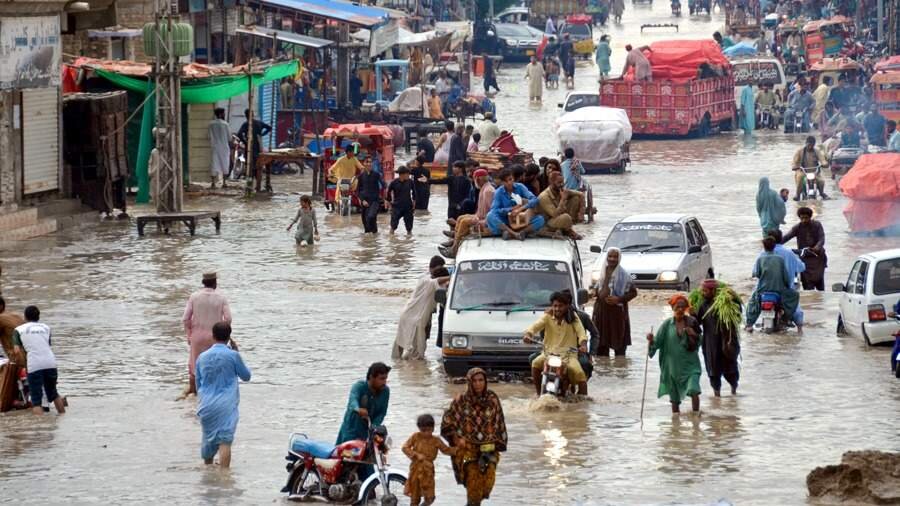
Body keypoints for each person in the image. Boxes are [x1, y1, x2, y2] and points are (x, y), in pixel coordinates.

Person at [441, 368, 507, 506]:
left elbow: (499, 421)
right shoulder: (461, 400)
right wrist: (457, 439)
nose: (478, 384)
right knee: (474, 491)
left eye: (481, 380)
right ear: (469, 382)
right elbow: (447, 422)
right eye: (475, 381)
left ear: (485, 381)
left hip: (489, 450)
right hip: (469, 451)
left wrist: (498, 442)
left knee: (487, 487)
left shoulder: (492, 399)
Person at [195, 322, 250, 468]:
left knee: (208, 442)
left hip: (206, 405)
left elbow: (198, 384)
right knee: (225, 441)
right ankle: (224, 479)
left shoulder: (202, 357)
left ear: (213, 336)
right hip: (226, 405)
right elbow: (246, 376)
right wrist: (237, 353)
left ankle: (209, 476)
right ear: (229, 337)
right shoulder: (233, 356)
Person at [523, 291, 589, 396]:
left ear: (567, 306)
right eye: (555, 306)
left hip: (568, 356)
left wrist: (583, 345)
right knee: (535, 363)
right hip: (548, 354)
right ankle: (538, 395)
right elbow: (536, 326)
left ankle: (583, 401)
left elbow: (581, 333)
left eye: (560, 306)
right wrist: (528, 334)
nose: (557, 309)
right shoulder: (547, 316)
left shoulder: (573, 318)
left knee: (580, 374)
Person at [646, 295, 702, 414]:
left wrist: (693, 334)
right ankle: (675, 423)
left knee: (694, 389)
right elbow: (657, 342)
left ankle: (696, 420)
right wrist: (651, 340)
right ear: (673, 308)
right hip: (672, 368)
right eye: (677, 307)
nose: (680, 310)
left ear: (686, 308)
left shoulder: (692, 322)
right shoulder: (667, 325)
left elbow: (701, 341)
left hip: (691, 365)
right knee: (674, 400)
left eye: (683, 307)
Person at [336, 363, 390, 483]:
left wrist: (375, 426)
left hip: (368, 433)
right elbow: (352, 400)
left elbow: (382, 412)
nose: (384, 382)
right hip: (350, 430)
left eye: (385, 378)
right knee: (345, 462)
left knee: (367, 464)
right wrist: (358, 409)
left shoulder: (385, 391)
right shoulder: (359, 386)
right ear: (371, 377)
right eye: (381, 379)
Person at [183, 272, 233, 396]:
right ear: (215, 282)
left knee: (195, 362)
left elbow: (185, 318)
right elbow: (228, 318)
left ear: (203, 283)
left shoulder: (194, 297)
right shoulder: (221, 298)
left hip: (197, 336)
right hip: (215, 337)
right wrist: (224, 334)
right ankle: (213, 388)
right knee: (214, 362)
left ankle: (193, 390)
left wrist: (189, 334)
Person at [12, 306, 66, 415]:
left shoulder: (18, 330)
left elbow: (17, 351)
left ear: (25, 317)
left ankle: (40, 427)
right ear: (38, 316)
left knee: (36, 400)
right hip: (50, 363)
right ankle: (62, 416)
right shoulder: (46, 328)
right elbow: (46, 344)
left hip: (35, 364)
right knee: (54, 394)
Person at [393, 264, 451, 359]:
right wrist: (453, 276)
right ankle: (413, 371)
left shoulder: (423, 279)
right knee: (418, 353)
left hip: (406, 314)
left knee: (400, 343)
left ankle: (397, 366)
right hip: (416, 319)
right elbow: (437, 281)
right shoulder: (431, 283)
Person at [745, 236, 802, 331]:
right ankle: (786, 318)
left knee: (753, 302)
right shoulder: (780, 259)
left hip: (763, 289)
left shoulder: (760, 259)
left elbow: (757, 274)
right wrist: (788, 285)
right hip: (779, 289)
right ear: (774, 246)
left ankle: (749, 324)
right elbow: (785, 276)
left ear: (764, 246)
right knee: (795, 296)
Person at [696, 280, 741, 396]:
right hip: (710, 344)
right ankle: (717, 396)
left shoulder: (727, 303)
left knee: (731, 370)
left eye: (705, 291)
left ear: (714, 291)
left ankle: (734, 392)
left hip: (726, 342)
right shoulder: (703, 305)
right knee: (713, 372)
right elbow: (697, 322)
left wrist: (734, 298)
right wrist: (691, 314)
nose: (703, 293)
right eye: (702, 291)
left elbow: (738, 315)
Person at [592, 247, 638, 357]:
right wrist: (594, 292)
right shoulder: (603, 271)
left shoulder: (623, 275)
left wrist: (619, 299)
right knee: (601, 348)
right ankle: (604, 372)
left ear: (619, 258)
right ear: (606, 257)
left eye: (615, 257)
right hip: (601, 313)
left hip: (617, 315)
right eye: (610, 256)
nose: (612, 259)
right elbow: (598, 288)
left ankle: (620, 371)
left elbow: (633, 292)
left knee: (619, 347)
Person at [440, 169, 496, 258]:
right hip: (480, 216)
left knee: (464, 222)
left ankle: (454, 250)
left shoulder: (488, 191)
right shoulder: (484, 188)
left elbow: (491, 212)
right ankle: (455, 239)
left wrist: (478, 219)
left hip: (486, 220)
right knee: (461, 218)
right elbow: (480, 210)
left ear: (478, 179)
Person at [403, 414, 456, 506]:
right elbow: (404, 448)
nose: (426, 433)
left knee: (430, 498)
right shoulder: (415, 437)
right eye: (423, 430)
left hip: (428, 471)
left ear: (433, 428)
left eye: (429, 430)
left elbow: (446, 450)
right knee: (415, 498)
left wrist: (460, 450)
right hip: (415, 470)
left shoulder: (436, 440)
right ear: (419, 428)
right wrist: (416, 454)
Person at [486, 168, 546, 240]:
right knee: (490, 216)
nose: (509, 183)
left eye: (510, 179)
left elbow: (534, 199)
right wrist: (510, 210)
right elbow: (494, 209)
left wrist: (521, 208)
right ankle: (514, 234)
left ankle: (520, 232)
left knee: (540, 219)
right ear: (502, 183)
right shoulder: (498, 192)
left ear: (513, 178)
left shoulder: (520, 187)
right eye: (505, 181)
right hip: (506, 220)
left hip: (521, 218)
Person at [782, 207, 828, 291]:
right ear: (799, 217)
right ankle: (810, 303)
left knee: (820, 282)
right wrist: (774, 244)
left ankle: (820, 301)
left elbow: (822, 239)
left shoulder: (817, 225)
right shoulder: (797, 227)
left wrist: (816, 248)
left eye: (806, 218)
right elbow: (786, 237)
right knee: (807, 285)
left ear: (810, 217)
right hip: (804, 258)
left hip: (818, 258)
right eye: (802, 218)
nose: (804, 220)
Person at [537, 171, 584, 239]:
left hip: (557, 218)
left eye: (563, 182)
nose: (562, 184)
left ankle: (567, 229)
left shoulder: (560, 190)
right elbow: (555, 214)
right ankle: (567, 230)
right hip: (547, 223)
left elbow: (581, 194)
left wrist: (581, 212)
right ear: (551, 182)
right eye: (559, 183)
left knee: (576, 198)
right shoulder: (544, 196)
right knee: (566, 217)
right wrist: (563, 199)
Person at [791, 136, 829, 200]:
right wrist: (794, 166)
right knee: (800, 178)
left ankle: (822, 193)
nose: (810, 146)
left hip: (815, 172)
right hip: (802, 171)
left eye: (812, 145)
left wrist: (824, 164)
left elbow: (822, 160)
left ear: (814, 144)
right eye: (809, 144)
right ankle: (797, 195)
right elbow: (794, 162)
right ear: (806, 143)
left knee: (821, 181)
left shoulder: (817, 151)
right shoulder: (800, 151)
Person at [356, 158, 383, 234]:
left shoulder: (376, 175)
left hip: (374, 201)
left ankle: (374, 234)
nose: (369, 164)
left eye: (370, 162)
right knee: (365, 223)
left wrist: (384, 198)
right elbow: (357, 191)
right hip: (364, 202)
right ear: (364, 164)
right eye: (367, 162)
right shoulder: (361, 176)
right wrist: (362, 200)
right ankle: (372, 239)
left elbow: (384, 185)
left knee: (370, 216)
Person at [387, 166, 416, 235]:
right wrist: (390, 204)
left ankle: (409, 241)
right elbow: (388, 192)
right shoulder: (394, 182)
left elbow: (414, 193)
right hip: (397, 206)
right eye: (407, 174)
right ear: (402, 174)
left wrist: (414, 204)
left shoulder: (410, 182)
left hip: (408, 206)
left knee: (409, 228)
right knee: (393, 226)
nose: (409, 175)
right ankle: (391, 240)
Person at [208, 108, 231, 189]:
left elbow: (209, 136)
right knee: (225, 164)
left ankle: (213, 183)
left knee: (214, 164)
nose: (224, 115)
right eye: (224, 113)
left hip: (215, 147)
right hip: (224, 147)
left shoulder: (211, 124)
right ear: (221, 114)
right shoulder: (226, 124)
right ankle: (224, 183)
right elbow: (229, 138)